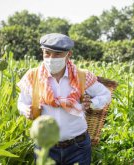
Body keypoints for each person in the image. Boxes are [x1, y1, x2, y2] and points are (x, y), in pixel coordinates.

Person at [17, 33, 111, 164]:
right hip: (45, 146)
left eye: (57, 54)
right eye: (47, 53)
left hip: (78, 147)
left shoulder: (82, 76)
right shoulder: (33, 76)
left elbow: (106, 95)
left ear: (69, 54)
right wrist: (25, 110)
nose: (51, 58)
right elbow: (21, 102)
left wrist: (92, 103)